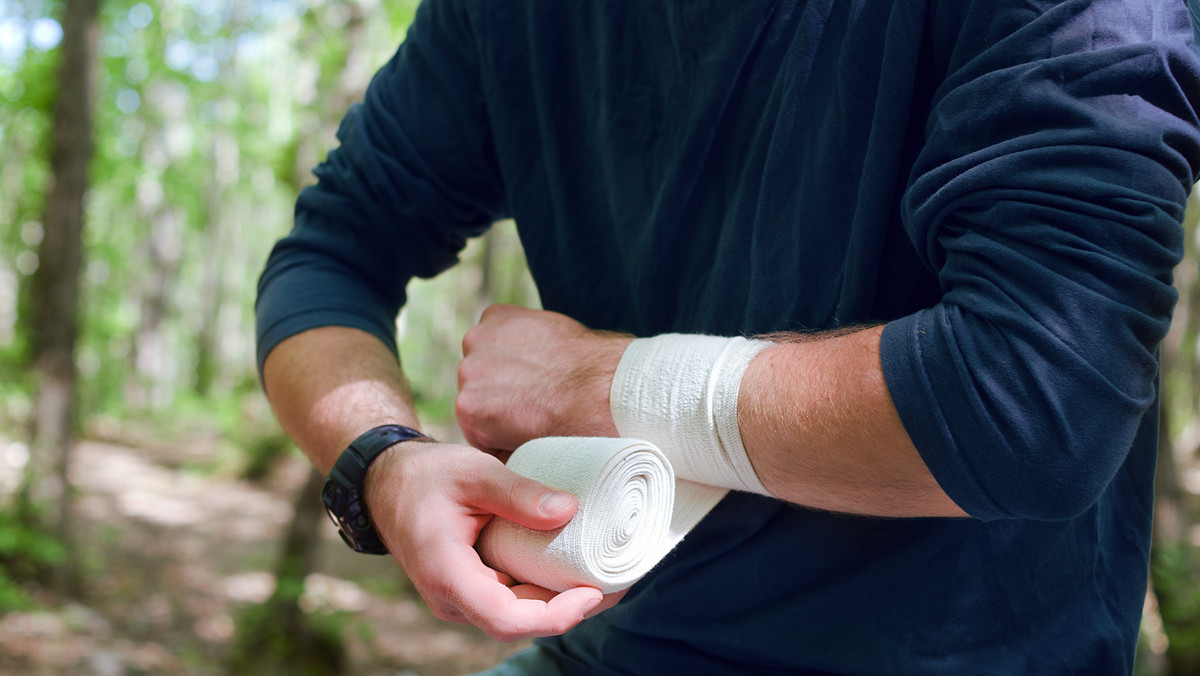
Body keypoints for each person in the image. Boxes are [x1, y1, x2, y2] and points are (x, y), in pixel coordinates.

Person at [255, 0, 1200, 673]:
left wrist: (597, 383)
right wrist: (382, 463)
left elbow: (1036, 402)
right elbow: (331, 255)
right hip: (614, 644)